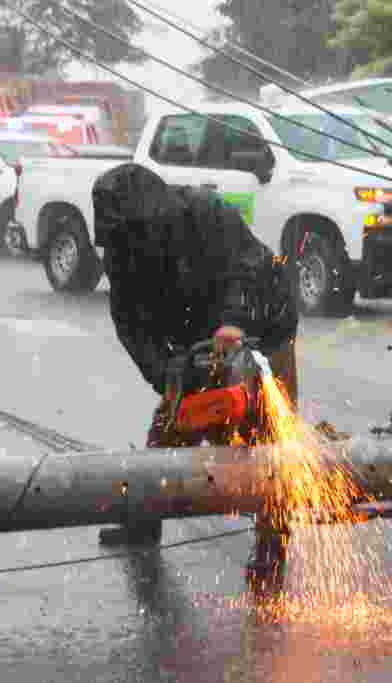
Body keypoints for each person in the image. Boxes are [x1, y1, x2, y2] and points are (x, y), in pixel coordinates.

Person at [92, 163, 299, 545]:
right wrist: (167, 374)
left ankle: (272, 541)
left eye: (134, 235)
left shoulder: (207, 213)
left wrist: (235, 322)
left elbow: (245, 269)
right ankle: (142, 525)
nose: (127, 246)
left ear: (153, 218)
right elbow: (130, 325)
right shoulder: (122, 252)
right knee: (167, 432)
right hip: (197, 332)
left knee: (269, 436)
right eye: (119, 239)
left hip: (263, 321)